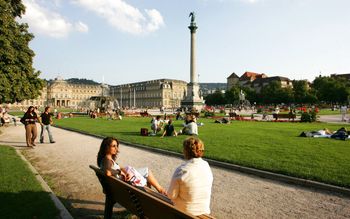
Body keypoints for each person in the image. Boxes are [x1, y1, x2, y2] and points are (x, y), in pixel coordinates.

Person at [97, 137, 167, 194]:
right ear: (106, 147)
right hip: (125, 186)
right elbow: (108, 172)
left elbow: (117, 167)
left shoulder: (105, 159)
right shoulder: (107, 160)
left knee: (145, 172)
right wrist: (120, 172)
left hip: (117, 186)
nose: (116, 148)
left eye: (117, 146)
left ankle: (158, 190)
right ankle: (160, 190)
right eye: (113, 146)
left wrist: (125, 172)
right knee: (147, 172)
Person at [167, 137, 213, 216]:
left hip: (184, 213)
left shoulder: (182, 170)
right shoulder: (206, 165)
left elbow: (171, 196)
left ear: (185, 151)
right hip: (204, 211)